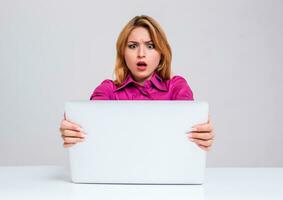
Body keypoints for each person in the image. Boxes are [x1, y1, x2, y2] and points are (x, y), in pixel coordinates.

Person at [60, 15, 214, 151]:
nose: (141, 54)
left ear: (161, 53)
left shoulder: (176, 87)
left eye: (150, 46)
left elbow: (187, 130)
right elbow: (91, 126)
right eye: (133, 46)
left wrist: (202, 134)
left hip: (166, 174)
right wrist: (73, 130)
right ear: (123, 53)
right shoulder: (108, 90)